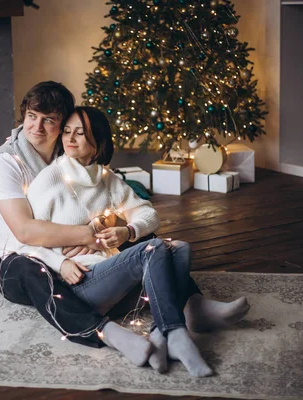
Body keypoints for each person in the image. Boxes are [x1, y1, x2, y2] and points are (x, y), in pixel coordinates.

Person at [18, 106, 251, 377]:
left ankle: (174, 323)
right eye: (67, 132)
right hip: (80, 285)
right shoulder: (49, 180)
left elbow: (149, 214)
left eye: (80, 133)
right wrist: (61, 262)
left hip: (112, 280)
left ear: (97, 142)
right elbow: (24, 242)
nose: (70, 138)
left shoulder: (105, 178)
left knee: (179, 249)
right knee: (152, 249)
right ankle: (176, 331)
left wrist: (127, 231)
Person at [0, 82, 156, 368]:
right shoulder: (4, 163)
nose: (37, 127)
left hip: (78, 251)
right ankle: (105, 331)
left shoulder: (68, 153)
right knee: (31, 271)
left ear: (62, 125)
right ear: (23, 115)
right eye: (32, 116)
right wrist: (85, 236)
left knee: (145, 240)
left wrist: (109, 227)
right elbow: (24, 232)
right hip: (21, 258)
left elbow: (103, 201)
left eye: (49, 120)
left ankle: (190, 304)